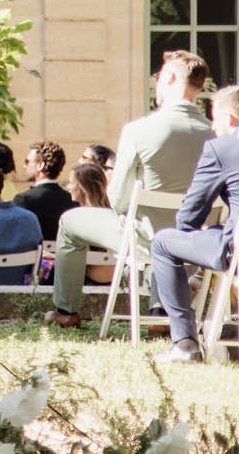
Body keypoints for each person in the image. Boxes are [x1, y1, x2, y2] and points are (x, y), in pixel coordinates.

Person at [44, 50, 213, 329]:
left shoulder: (139, 130)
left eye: (159, 77)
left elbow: (116, 199)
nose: (156, 83)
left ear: (170, 77)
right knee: (166, 225)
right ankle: (161, 310)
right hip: (191, 237)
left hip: (142, 235)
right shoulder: (213, 131)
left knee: (69, 223)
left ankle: (66, 310)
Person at [149, 84, 239, 362]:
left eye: (214, 118)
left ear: (228, 118)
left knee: (163, 242)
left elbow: (189, 217)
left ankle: (185, 343)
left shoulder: (220, 148)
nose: (213, 127)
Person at [12, 140, 77, 242]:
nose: (24, 166)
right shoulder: (72, 199)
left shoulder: (23, 200)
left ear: (40, 165)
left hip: (34, 256)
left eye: (27, 162)